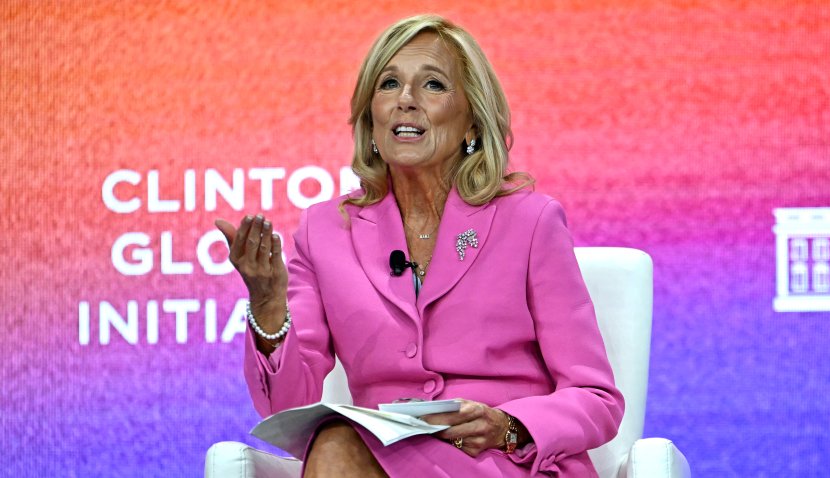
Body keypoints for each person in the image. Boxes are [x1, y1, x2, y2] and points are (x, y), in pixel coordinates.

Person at [215, 14, 624, 477]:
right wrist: (268, 305)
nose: (406, 101)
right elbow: (287, 407)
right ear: (371, 119)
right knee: (333, 444)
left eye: (432, 85)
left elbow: (597, 399)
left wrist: (507, 425)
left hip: (507, 464)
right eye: (389, 84)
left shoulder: (531, 222)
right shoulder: (325, 231)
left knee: (337, 450)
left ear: (472, 120)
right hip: (378, 460)